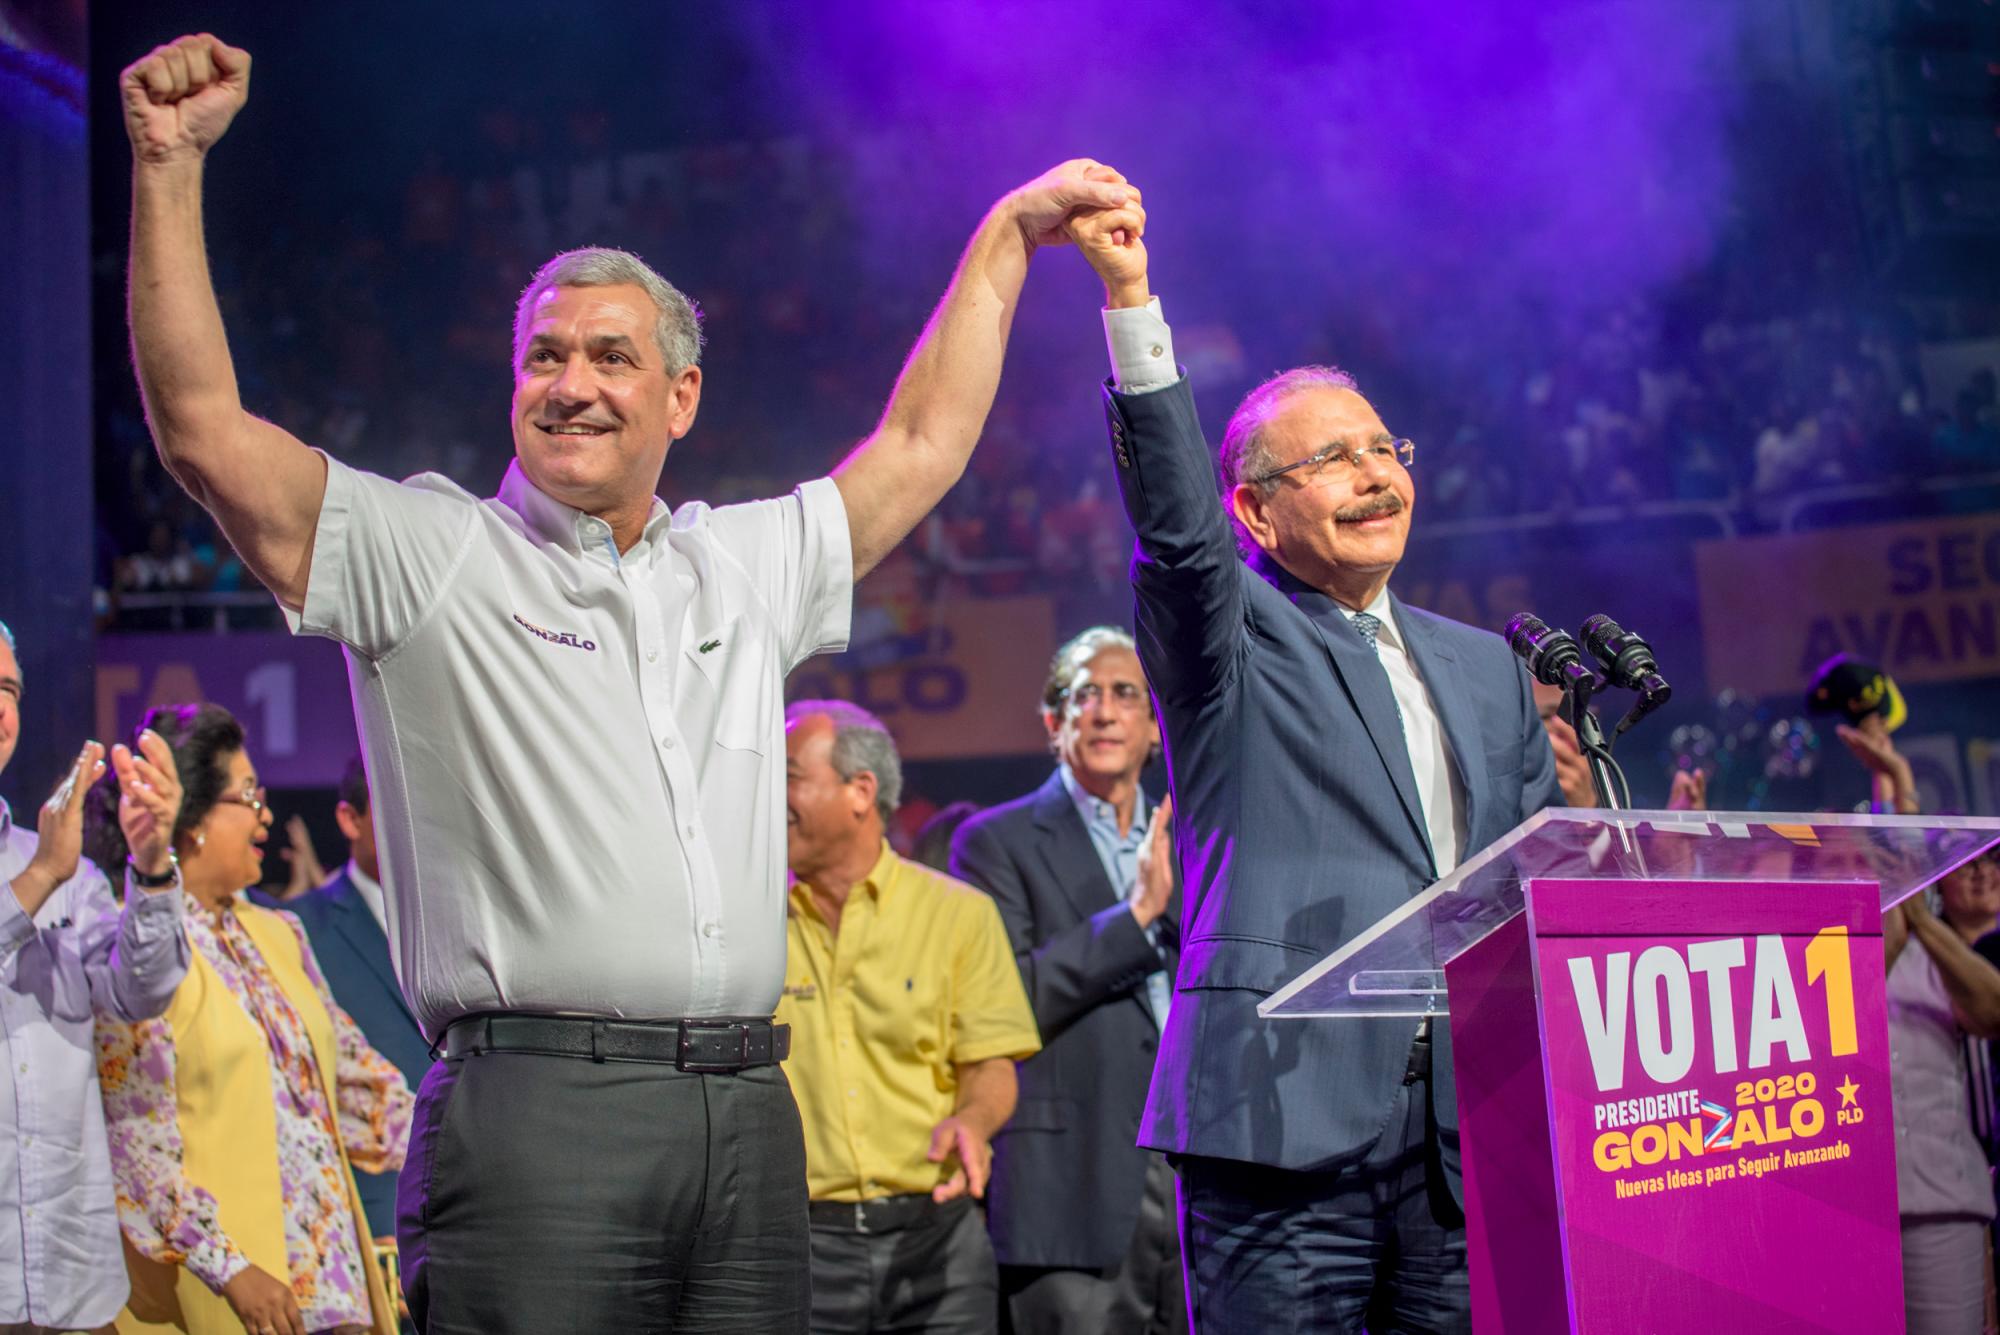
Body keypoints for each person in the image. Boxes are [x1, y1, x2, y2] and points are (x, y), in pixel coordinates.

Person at [118, 31, 1132, 1332]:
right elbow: (203, 433)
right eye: (544, 357)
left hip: (749, 1111)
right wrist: (168, 168)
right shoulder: (430, 553)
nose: (571, 385)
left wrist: (1005, 239)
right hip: (540, 1115)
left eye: (609, 357)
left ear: (680, 396)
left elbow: (924, 441)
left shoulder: (740, 565)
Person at [1062, 200, 1562, 1332]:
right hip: (1276, 1127)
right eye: (1332, 459)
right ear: (1255, 510)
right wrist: (1131, 305)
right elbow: (1177, 534)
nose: (1373, 474)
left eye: (1383, 449)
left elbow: (1528, 882)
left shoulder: (1489, 668)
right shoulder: (1232, 635)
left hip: (1461, 1142)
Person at [88, 704, 413, 1335]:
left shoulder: (278, 932)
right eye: (248, 796)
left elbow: (358, 1087)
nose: (265, 814)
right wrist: (231, 1269)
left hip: (332, 1288)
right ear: (193, 819)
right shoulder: (141, 954)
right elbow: (135, 1145)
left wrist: (462, 1144)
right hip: (232, 1288)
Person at [949, 627, 1187, 1334]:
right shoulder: (995, 841)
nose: (1105, 711)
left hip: (1194, 1172)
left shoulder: (1192, 839)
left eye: (1125, 694)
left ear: (1155, 726)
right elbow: (1003, 1000)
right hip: (1072, 1179)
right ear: (1055, 724)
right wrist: (1135, 915)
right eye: (1085, 695)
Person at [777, 701, 1041, 1335]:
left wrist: (972, 1121)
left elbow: (990, 1065)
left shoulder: (959, 913)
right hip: (795, 1247)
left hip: (937, 1241)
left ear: (860, 791)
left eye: (788, 776)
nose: (767, 796)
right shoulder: (747, 922)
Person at [0, 620, 189, 1335]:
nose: (0, 707)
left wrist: (151, 862)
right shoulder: (52, 864)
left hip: (71, 1279)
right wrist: (39, 877)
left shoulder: (69, 871)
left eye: (8, 688)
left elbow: (139, 993)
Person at [1842, 714, 2000, 1335]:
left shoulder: (1945, 953)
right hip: (1848, 1203)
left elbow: (1993, 1011)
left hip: (1940, 1205)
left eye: (1886, 863)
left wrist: (1921, 916)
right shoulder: (1828, 958)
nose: (1878, 874)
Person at [261, 757, 430, 1242]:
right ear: (350, 818)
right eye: (395, 806)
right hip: (368, 1212)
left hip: (474, 1203)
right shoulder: (296, 929)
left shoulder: (466, 921)